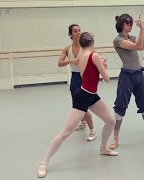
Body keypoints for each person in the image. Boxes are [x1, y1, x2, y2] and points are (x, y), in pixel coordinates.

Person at [38, 32, 119, 178]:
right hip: (83, 97)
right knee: (66, 132)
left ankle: (103, 148)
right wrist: (105, 66)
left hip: (90, 95)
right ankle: (44, 162)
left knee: (110, 121)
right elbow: (106, 78)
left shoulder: (82, 57)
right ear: (92, 42)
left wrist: (100, 66)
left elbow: (87, 76)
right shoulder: (94, 56)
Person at [109, 13, 144, 150]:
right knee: (120, 106)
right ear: (122, 24)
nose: (131, 25)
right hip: (127, 76)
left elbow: (142, 45)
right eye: (128, 23)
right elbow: (138, 46)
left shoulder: (131, 37)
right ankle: (115, 138)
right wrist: (142, 29)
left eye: (132, 23)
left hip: (139, 74)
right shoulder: (118, 40)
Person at [58, 24, 96, 141]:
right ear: (70, 34)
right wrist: (71, 60)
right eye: (75, 31)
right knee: (76, 103)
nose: (78, 32)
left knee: (83, 107)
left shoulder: (86, 47)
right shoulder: (67, 49)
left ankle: (92, 130)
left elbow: (96, 56)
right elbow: (60, 63)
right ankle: (83, 123)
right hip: (74, 78)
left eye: (79, 30)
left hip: (85, 78)